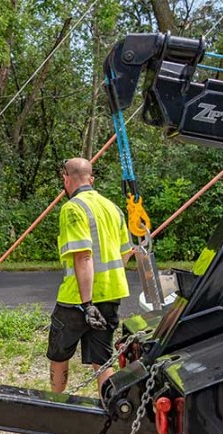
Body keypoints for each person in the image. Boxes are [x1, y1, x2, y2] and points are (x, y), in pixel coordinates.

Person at [47, 157, 132, 396]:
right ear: (91, 179)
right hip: (110, 295)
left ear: (66, 179)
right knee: (102, 360)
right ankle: (111, 407)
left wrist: (87, 305)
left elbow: (83, 256)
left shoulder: (73, 208)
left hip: (77, 299)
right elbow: (126, 253)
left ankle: (55, 403)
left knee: (59, 354)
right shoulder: (113, 208)